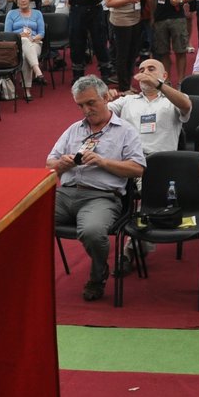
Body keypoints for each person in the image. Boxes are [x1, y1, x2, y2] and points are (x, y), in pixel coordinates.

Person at [48, 75, 147, 301]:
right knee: (27, 222)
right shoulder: (73, 129)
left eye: (90, 103)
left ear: (105, 98)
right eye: (80, 105)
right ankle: (30, 278)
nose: (86, 109)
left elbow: (138, 168)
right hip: (66, 193)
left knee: (92, 232)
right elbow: (49, 164)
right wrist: (62, 163)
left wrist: (103, 162)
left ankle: (97, 273)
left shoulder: (125, 131)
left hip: (102, 197)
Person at [109, 59, 193, 155]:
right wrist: (104, 100)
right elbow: (99, 115)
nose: (145, 73)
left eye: (151, 69)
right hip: (130, 160)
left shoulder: (172, 100)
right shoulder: (127, 100)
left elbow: (186, 105)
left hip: (162, 160)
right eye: (141, 71)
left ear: (164, 76)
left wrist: (157, 84)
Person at [104, 0, 147, 91]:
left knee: (133, 53)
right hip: (122, 21)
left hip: (135, 18)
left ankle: (128, 83)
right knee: (123, 54)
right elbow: (109, 2)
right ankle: (123, 87)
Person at [5, 0, 46, 91]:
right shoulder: (11, 14)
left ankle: (27, 88)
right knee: (23, 40)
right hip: (16, 45)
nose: (23, 0)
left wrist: (32, 38)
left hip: (35, 43)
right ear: (16, 1)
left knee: (25, 54)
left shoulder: (37, 13)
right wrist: (19, 36)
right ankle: (36, 70)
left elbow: (41, 33)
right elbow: (7, 34)